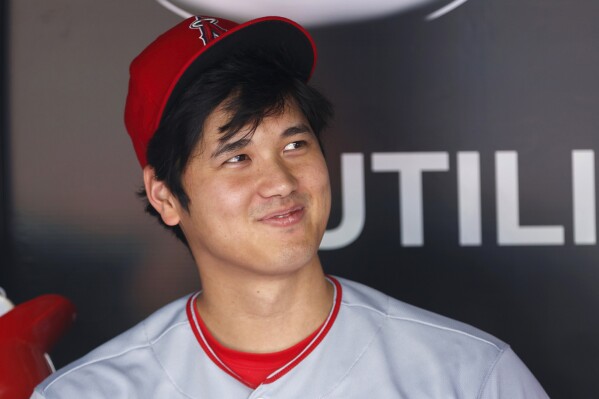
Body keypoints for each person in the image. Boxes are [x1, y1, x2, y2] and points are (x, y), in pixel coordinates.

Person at [32, 15, 549, 398]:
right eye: (237, 156)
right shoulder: (90, 393)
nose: (279, 181)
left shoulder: (467, 375)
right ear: (165, 195)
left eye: (295, 145)